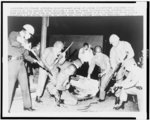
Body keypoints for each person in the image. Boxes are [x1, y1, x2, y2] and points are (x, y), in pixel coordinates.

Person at [8, 24, 38, 112]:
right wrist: (23, 45)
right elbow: (13, 43)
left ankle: (27, 106)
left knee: (25, 86)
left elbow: (26, 55)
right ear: (25, 31)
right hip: (12, 63)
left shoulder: (26, 41)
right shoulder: (13, 34)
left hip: (21, 64)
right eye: (30, 34)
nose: (30, 37)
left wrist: (34, 60)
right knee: (9, 87)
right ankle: (6, 109)